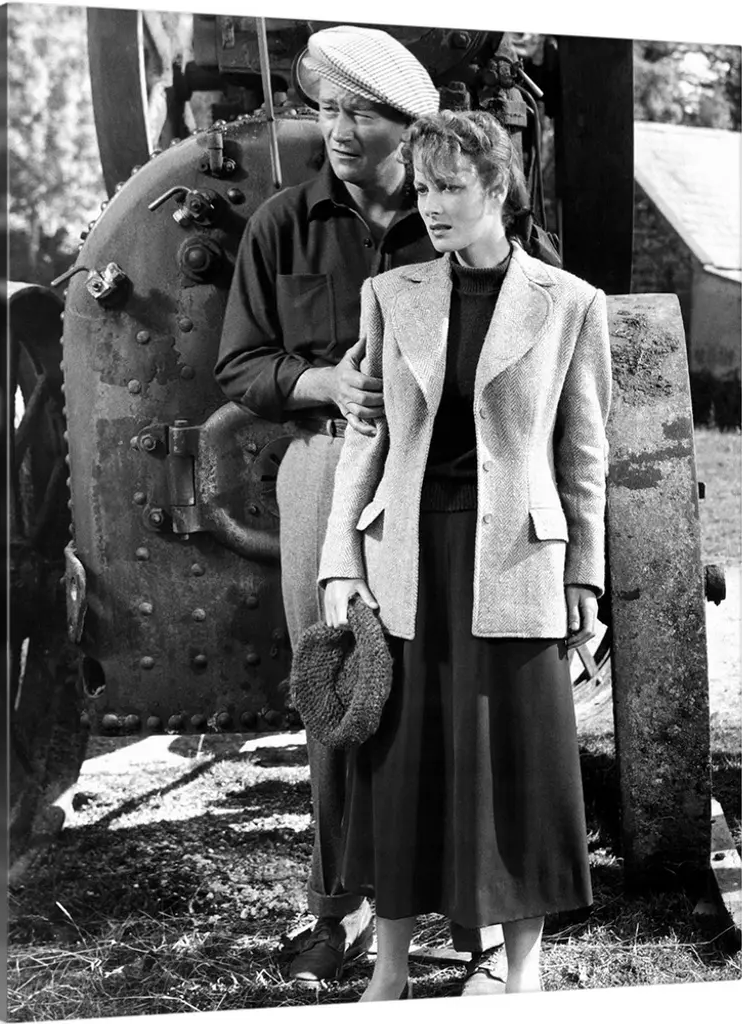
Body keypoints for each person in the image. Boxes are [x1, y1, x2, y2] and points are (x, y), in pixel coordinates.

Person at [318, 108, 612, 1000]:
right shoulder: (390, 295)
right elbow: (364, 439)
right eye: (423, 188)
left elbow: (583, 456)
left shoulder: (571, 304)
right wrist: (341, 561)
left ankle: (523, 973)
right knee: (403, 768)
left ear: (498, 188)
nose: (433, 205)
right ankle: (391, 972)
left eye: (451, 187)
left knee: (519, 769)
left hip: (517, 563)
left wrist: (584, 574)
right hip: (408, 557)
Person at [214, 26, 448, 984]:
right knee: (335, 684)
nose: (339, 131)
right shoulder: (281, 222)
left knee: (441, 681)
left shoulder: (456, 213)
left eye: (360, 114)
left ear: (407, 126)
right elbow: (240, 364)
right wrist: (322, 384)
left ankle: (458, 905)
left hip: (442, 476)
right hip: (322, 464)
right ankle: (337, 908)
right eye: (327, 110)